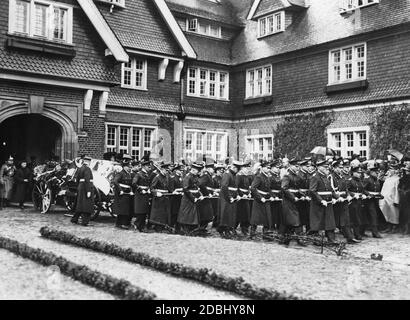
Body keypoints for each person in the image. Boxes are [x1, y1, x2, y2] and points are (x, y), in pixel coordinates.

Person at [331, 159, 359, 244]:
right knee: (334, 220)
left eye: (341, 167)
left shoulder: (342, 177)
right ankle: (330, 238)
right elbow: (331, 190)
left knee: (346, 219)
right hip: (335, 201)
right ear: (334, 168)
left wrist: (349, 196)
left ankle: (350, 237)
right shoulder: (331, 177)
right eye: (339, 167)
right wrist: (337, 197)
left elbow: (346, 189)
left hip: (344, 201)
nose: (341, 169)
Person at [309, 159, 337, 243]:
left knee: (329, 222)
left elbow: (331, 190)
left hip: (328, 203)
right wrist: (321, 200)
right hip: (319, 204)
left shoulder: (326, 177)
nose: (326, 168)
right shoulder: (315, 177)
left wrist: (336, 197)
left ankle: (331, 239)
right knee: (318, 222)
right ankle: (316, 239)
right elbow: (312, 191)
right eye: (324, 167)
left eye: (326, 167)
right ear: (318, 167)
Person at [280, 158, 306, 246]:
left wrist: (303, 195)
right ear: (291, 166)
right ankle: (298, 238)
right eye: (296, 166)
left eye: (298, 166)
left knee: (291, 221)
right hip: (288, 202)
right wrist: (293, 197)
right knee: (293, 220)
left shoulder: (297, 177)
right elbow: (284, 188)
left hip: (295, 201)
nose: (298, 168)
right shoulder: (287, 176)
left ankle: (284, 237)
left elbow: (297, 189)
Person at [218, 161, 242, 237]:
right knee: (225, 215)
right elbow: (224, 187)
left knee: (231, 215)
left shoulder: (233, 175)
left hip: (232, 198)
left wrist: (237, 195)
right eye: (237, 169)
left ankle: (228, 230)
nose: (238, 171)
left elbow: (235, 187)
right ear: (234, 167)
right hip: (226, 198)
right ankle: (223, 231)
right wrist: (229, 197)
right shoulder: (227, 174)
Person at [177, 162, 203, 232]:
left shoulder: (195, 177)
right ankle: (185, 229)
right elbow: (186, 189)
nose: (198, 172)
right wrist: (193, 198)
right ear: (193, 170)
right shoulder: (187, 177)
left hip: (193, 198)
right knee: (186, 215)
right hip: (188, 199)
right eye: (197, 171)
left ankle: (191, 229)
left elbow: (197, 188)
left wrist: (200, 195)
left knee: (192, 215)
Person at [250, 160, 272, 237]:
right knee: (256, 217)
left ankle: (265, 233)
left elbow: (269, 189)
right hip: (258, 200)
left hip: (266, 199)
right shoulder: (259, 177)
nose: (268, 169)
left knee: (267, 216)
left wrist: (271, 196)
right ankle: (252, 233)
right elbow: (253, 188)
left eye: (269, 168)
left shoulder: (268, 177)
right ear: (262, 168)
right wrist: (260, 197)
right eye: (266, 167)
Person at [71, 156, 94, 226]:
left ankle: (74, 219)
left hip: (81, 187)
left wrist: (79, 187)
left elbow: (77, 179)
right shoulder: (87, 169)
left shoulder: (80, 168)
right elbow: (87, 180)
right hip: (86, 187)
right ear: (88, 162)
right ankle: (85, 222)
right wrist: (88, 191)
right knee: (86, 205)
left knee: (80, 204)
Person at [362, 161, 383, 238]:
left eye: (377, 172)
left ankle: (363, 231)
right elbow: (363, 189)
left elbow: (377, 190)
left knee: (373, 215)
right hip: (368, 201)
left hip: (375, 200)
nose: (376, 173)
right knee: (371, 215)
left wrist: (380, 195)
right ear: (371, 172)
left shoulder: (377, 180)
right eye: (374, 172)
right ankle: (375, 232)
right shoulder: (367, 180)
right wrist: (368, 194)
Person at [113, 154, 134, 229]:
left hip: (127, 193)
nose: (129, 168)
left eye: (130, 167)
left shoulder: (128, 174)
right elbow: (115, 181)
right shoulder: (121, 173)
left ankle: (122, 223)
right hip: (122, 194)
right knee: (122, 209)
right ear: (124, 167)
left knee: (126, 209)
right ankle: (120, 223)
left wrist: (131, 191)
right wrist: (120, 190)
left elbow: (130, 184)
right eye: (128, 167)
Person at [149, 163, 172, 231]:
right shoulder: (157, 177)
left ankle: (163, 226)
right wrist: (156, 193)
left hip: (165, 196)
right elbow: (152, 188)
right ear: (162, 170)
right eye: (165, 170)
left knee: (164, 213)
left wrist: (172, 192)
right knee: (158, 213)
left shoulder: (167, 177)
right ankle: (157, 227)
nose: (167, 172)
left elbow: (168, 187)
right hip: (158, 198)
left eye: (167, 170)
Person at [379, 164, 401, 233]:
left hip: (392, 198)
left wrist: (396, 200)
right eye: (389, 169)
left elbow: (397, 190)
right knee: (386, 213)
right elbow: (383, 187)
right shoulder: (388, 179)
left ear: (395, 171)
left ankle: (394, 227)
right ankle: (388, 226)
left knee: (393, 213)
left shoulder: (397, 179)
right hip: (385, 198)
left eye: (391, 169)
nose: (390, 171)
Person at [347, 165, 366, 240]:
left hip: (360, 201)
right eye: (357, 172)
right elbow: (346, 190)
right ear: (353, 173)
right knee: (355, 218)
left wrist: (365, 194)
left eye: (360, 173)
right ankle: (356, 234)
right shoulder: (350, 180)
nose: (359, 174)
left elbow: (362, 190)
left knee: (359, 216)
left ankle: (358, 233)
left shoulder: (360, 181)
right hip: (353, 201)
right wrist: (353, 195)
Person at [132, 160, 151, 232]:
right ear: (143, 166)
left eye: (149, 166)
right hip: (140, 195)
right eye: (147, 166)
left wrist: (148, 189)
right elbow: (134, 183)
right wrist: (140, 190)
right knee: (140, 211)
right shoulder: (138, 174)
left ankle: (142, 226)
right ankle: (137, 225)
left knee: (144, 210)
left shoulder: (147, 174)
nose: (148, 167)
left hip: (145, 194)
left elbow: (147, 184)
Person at [197, 162, 215, 231]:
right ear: (209, 169)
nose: (213, 170)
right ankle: (201, 228)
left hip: (207, 198)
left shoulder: (209, 175)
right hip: (204, 198)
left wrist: (212, 192)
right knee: (205, 214)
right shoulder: (206, 175)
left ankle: (203, 228)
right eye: (212, 169)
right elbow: (201, 184)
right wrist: (207, 193)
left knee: (208, 215)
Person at [236, 162, 252, 235]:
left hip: (246, 198)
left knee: (246, 214)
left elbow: (248, 187)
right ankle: (233, 228)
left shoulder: (247, 177)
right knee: (239, 214)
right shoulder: (238, 176)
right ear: (242, 169)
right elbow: (236, 187)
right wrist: (242, 194)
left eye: (248, 168)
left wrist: (248, 193)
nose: (247, 170)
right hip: (240, 198)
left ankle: (244, 229)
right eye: (246, 168)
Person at [398, 165, 410, 234]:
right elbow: (399, 186)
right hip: (403, 198)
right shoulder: (402, 179)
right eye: (406, 171)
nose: (407, 172)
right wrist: (401, 190)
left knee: (408, 213)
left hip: (408, 198)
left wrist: (407, 191)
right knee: (403, 213)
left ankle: (407, 229)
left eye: (408, 171)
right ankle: (404, 227)